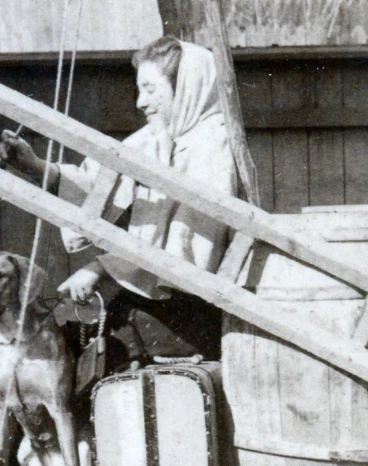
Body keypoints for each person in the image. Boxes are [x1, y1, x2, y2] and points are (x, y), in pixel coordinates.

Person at [48, 36, 235, 375]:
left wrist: (100, 270)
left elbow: (186, 252)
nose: (140, 102)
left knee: (72, 351)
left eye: (151, 89)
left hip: (186, 313)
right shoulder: (155, 139)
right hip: (149, 302)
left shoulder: (212, 148)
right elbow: (97, 182)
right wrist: (35, 167)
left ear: (186, 89)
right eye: (139, 90)